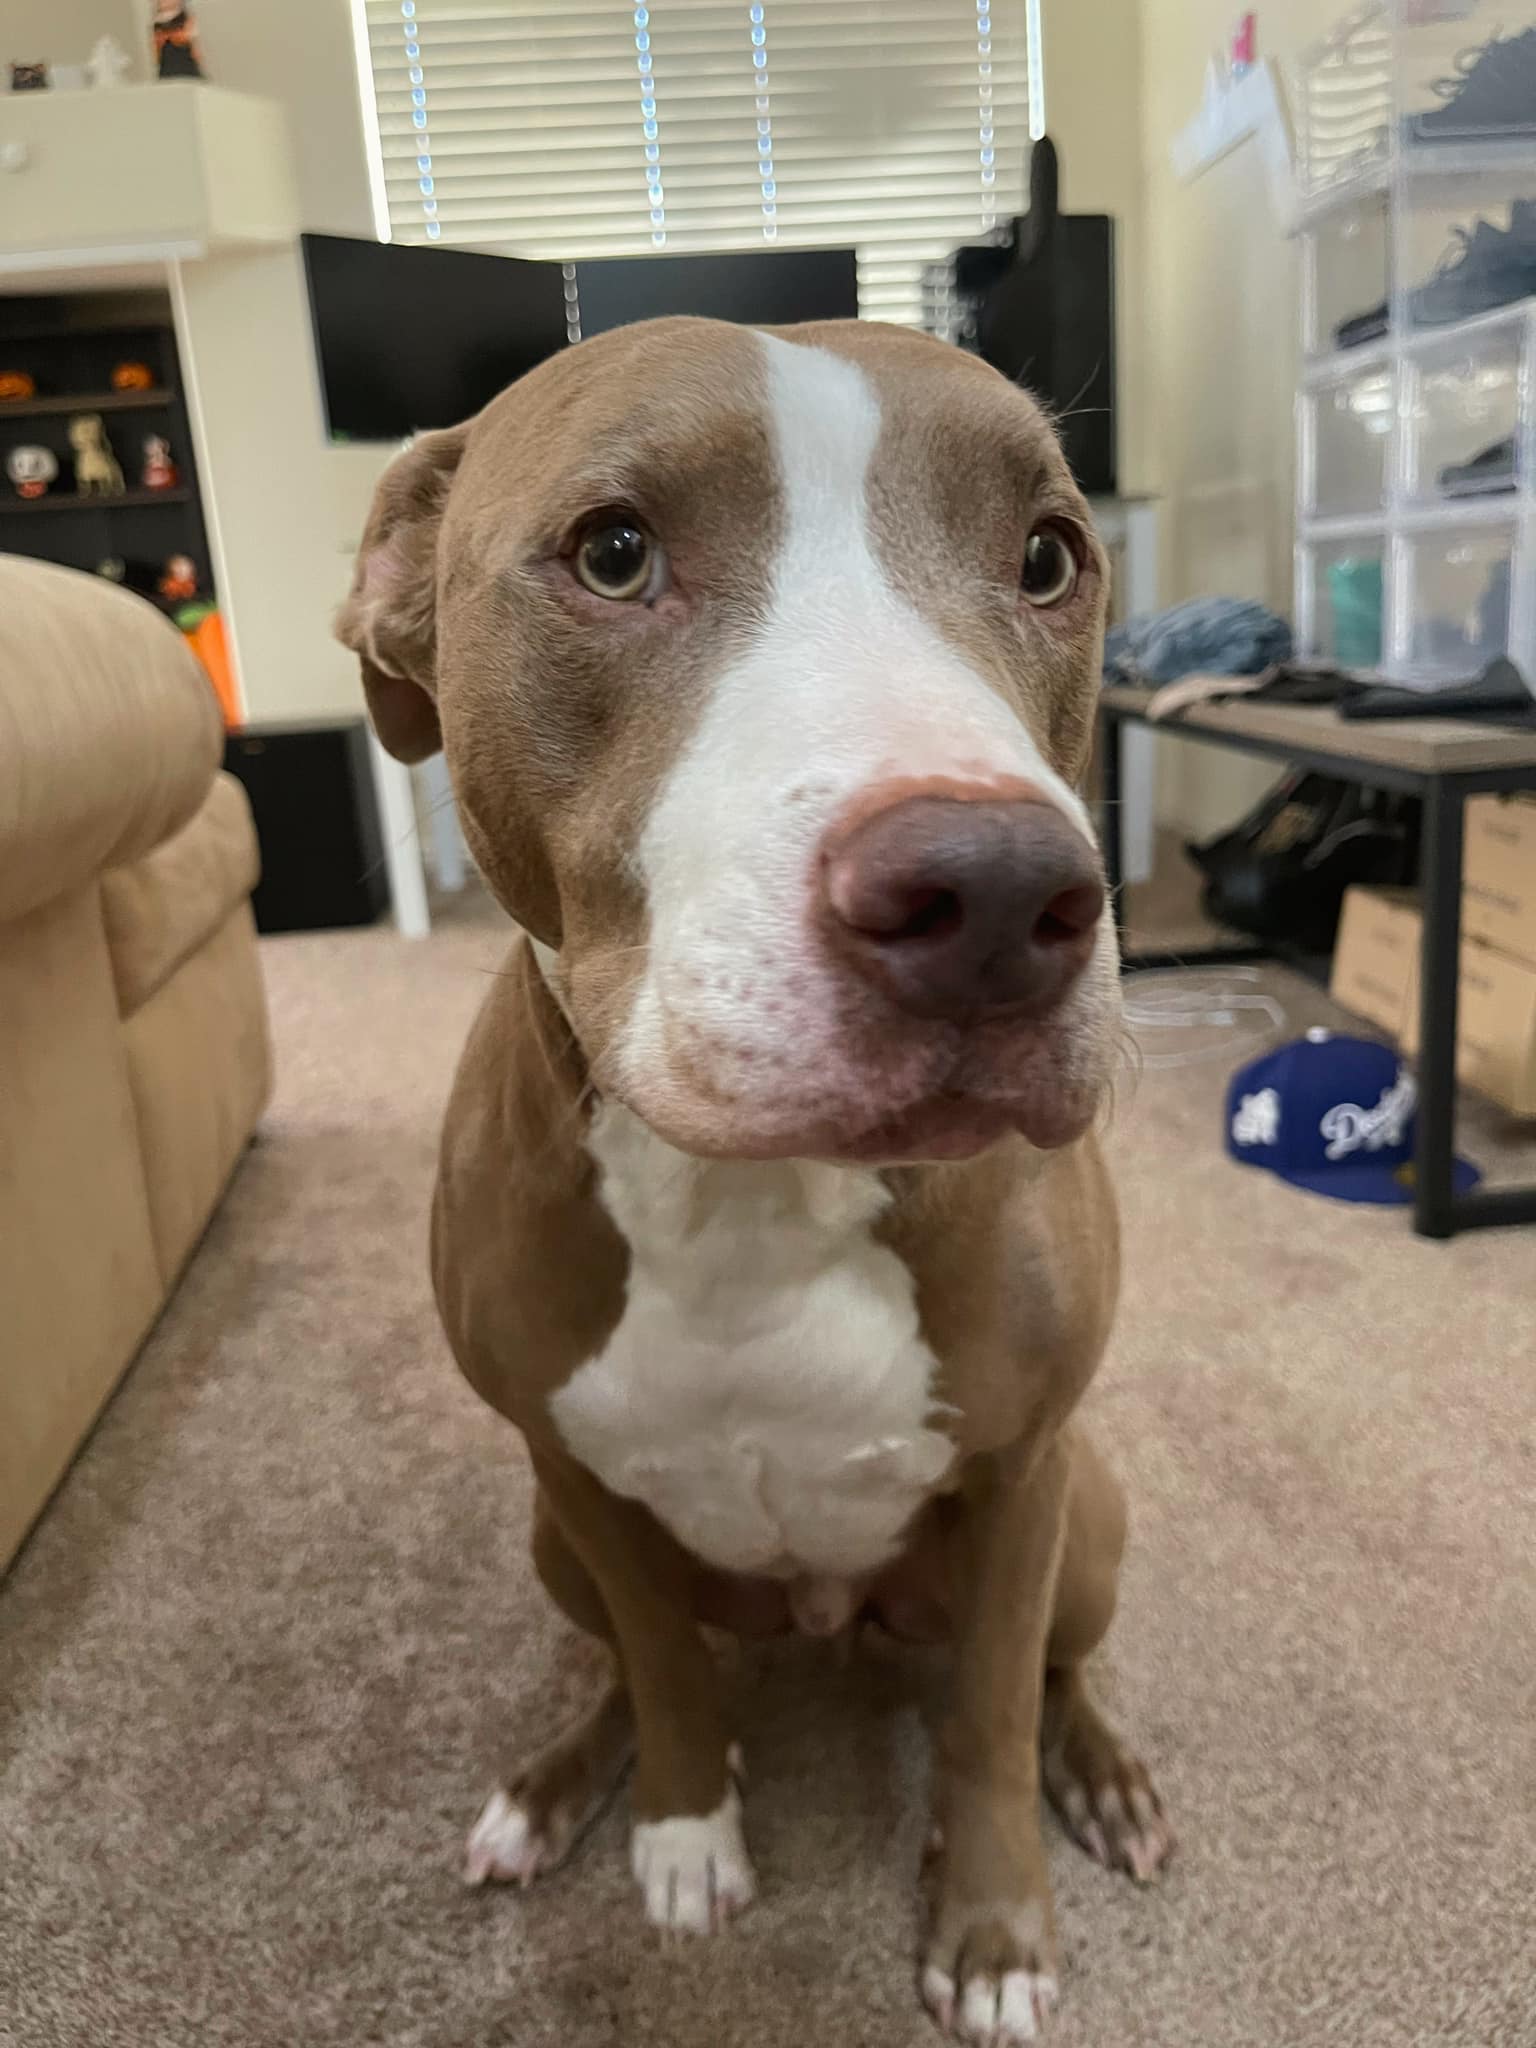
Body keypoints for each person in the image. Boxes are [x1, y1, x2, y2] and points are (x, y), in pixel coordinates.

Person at [153, 4, 205, 80]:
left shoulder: (184, 17)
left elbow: (189, 37)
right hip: (167, 61)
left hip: (183, 56)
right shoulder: (157, 21)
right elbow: (157, 44)